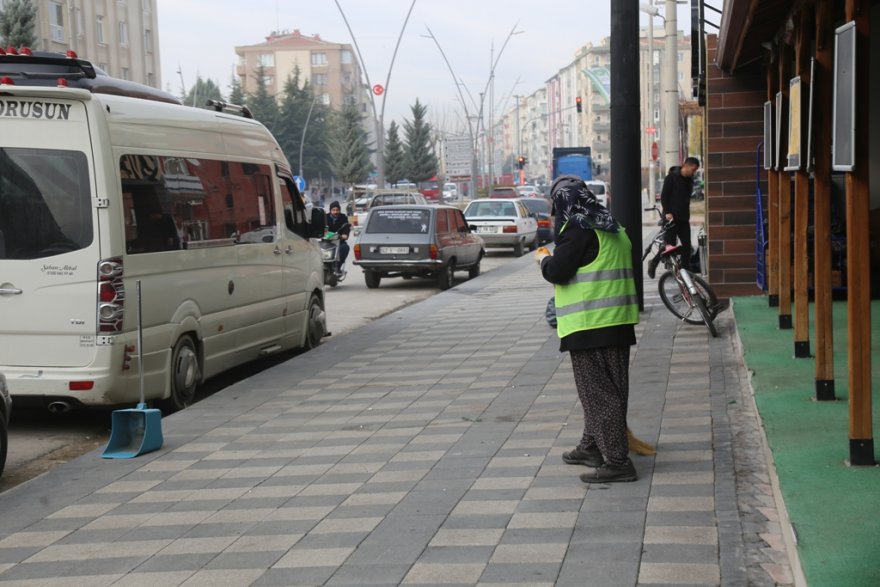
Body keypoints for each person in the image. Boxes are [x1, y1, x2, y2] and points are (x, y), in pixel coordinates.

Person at [535, 175, 640, 484]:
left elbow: (559, 271)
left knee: (598, 395)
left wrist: (543, 260)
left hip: (589, 325)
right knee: (612, 390)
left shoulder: (577, 231)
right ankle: (591, 446)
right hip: (617, 321)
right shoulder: (613, 227)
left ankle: (618, 461)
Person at [652, 156, 700, 277]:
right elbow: (664, 197)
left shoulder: (690, 180)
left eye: (695, 171)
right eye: (693, 169)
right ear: (686, 166)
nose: (693, 172)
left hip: (684, 218)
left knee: (687, 245)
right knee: (670, 247)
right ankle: (653, 262)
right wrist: (667, 212)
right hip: (671, 218)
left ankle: (685, 270)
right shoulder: (671, 178)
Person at [326, 200, 350, 272]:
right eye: (333, 210)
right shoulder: (325, 217)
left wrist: (344, 235)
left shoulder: (343, 217)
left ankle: (337, 267)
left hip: (339, 241)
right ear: (330, 210)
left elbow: (346, 227)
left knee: (345, 248)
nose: (335, 212)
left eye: (337, 210)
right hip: (326, 241)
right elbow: (320, 228)